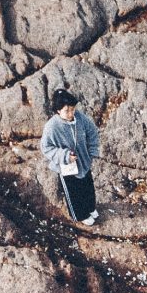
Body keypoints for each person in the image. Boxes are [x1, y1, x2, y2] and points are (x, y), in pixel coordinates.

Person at [39, 88, 101, 226]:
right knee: (74, 193)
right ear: (58, 111)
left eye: (72, 109)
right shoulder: (52, 127)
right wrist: (65, 155)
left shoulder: (80, 117)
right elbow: (46, 148)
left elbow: (92, 132)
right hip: (66, 167)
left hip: (83, 161)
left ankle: (90, 208)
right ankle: (80, 215)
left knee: (88, 186)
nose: (71, 113)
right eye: (67, 111)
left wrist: (92, 151)